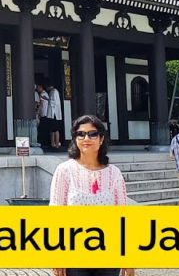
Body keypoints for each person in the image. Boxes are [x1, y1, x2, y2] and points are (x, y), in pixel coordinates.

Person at [49, 115, 132, 276]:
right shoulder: (65, 171)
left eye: (92, 134)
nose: (86, 138)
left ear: (101, 139)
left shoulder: (114, 173)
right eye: (81, 134)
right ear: (75, 139)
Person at [46, 83, 64, 150]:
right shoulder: (52, 91)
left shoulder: (54, 92)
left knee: (55, 129)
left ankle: (56, 143)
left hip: (54, 113)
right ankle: (53, 143)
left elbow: (54, 102)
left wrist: (47, 99)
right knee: (52, 129)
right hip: (52, 114)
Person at [35, 82, 50, 148]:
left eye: (38, 87)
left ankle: (43, 142)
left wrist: (38, 112)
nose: (37, 89)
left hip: (44, 113)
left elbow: (39, 104)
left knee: (42, 128)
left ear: (41, 87)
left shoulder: (43, 94)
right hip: (45, 113)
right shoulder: (44, 94)